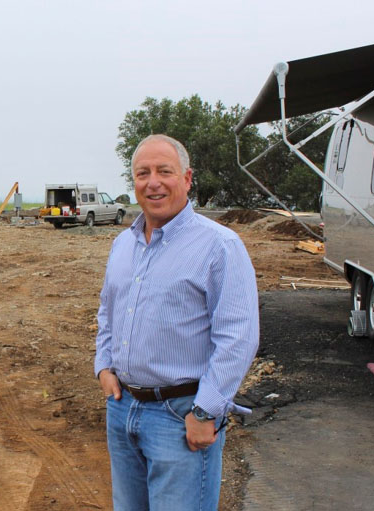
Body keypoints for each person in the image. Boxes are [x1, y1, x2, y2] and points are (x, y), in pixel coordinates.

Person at [95, 134, 259, 510]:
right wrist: (103, 366)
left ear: (186, 179)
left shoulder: (220, 246)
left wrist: (206, 412)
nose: (153, 182)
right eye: (142, 173)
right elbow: (109, 310)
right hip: (123, 408)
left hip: (180, 416)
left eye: (164, 171)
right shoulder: (123, 244)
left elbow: (238, 335)